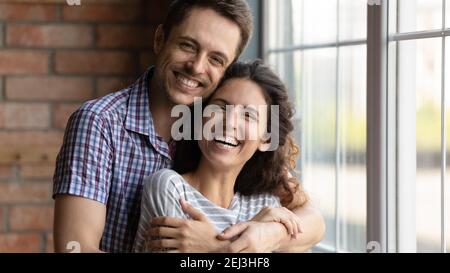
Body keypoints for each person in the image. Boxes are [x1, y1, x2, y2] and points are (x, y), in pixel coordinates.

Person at [53, 0, 325, 253]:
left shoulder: (224, 134)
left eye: (216, 59)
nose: (196, 67)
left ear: (227, 70)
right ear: (160, 39)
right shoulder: (99, 122)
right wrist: (224, 250)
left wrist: (269, 235)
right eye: (187, 45)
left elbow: (312, 219)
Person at [134, 60, 310, 253]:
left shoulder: (265, 205)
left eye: (248, 115)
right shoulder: (169, 188)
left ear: (266, 138)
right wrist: (236, 245)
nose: (229, 122)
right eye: (219, 107)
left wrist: (214, 246)